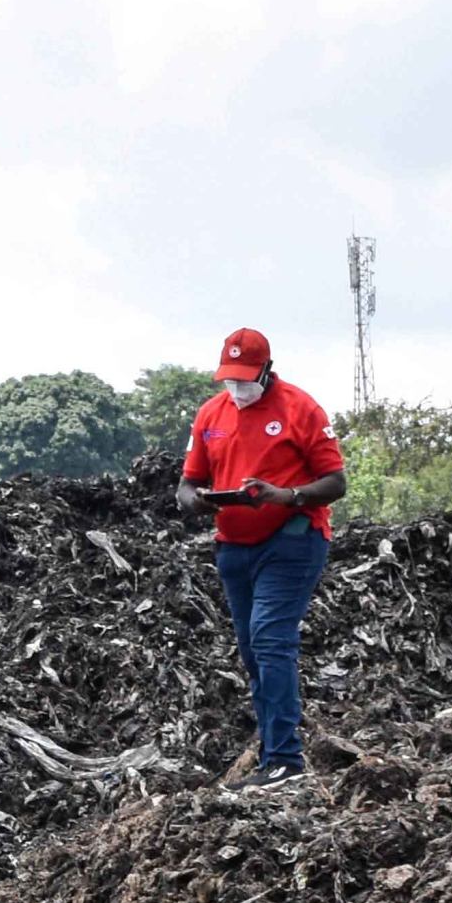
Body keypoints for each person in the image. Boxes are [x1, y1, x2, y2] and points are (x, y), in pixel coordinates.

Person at [175, 328, 348, 788]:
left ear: (267, 370)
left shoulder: (300, 408)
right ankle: (271, 754)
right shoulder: (211, 414)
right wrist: (196, 501)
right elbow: (187, 483)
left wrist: (285, 495)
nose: (237, 388)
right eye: (229, 379)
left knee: (271, 639)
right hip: (233, 545)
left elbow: (335, 481)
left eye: (245, 378)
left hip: (292, 536)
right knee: (253, 652)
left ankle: (287, 761)